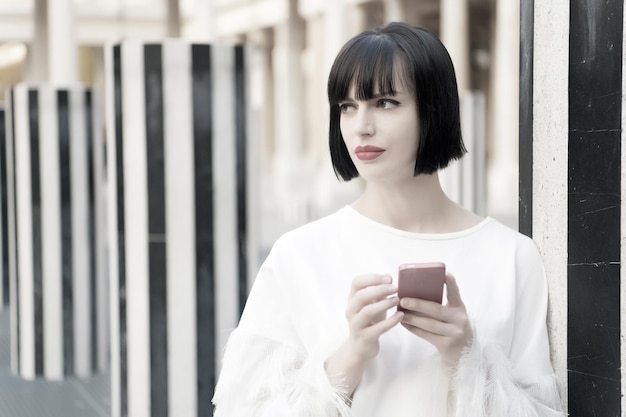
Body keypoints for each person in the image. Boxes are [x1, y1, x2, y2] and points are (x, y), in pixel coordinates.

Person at [212, 22, 564, 417]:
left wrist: (465, 358)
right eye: (347, 107)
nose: (361, 126)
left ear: (435, 110)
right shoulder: (298, 255)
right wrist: (352, 355)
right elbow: (242, 408)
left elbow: (542, 410)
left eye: (385, 103)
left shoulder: (512, 257)